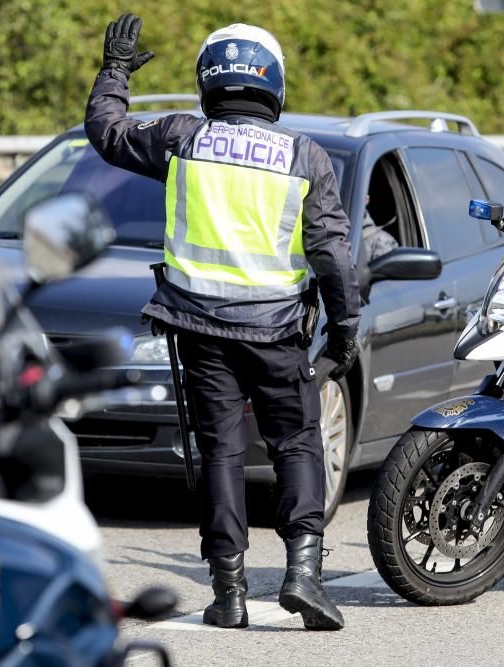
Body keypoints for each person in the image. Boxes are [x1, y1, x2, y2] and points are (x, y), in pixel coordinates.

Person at [85, 14, 360, 631]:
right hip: (279, 332)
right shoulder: (306, 156)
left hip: (201, 330)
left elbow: (105, 132)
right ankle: (302, 574)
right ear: (274, 84)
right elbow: (332, 254)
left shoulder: (183, 136)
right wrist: (345, 329)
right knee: (296, 444)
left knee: (221, 455)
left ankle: (228, 594)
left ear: (209, 79)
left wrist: (116, 70)